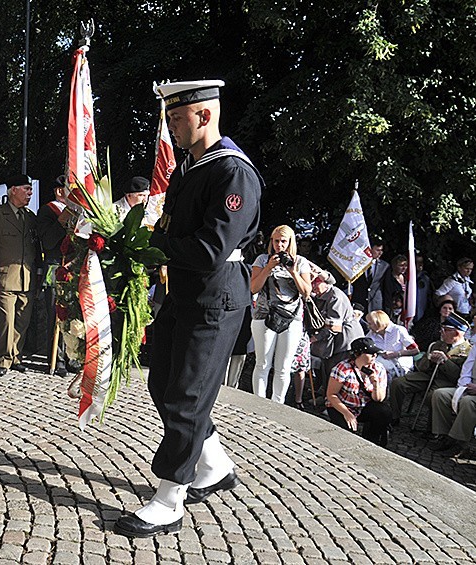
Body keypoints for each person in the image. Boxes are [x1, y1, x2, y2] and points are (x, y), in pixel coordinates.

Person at [113, 80, 263, 538]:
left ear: (203, 115)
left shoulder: (230, 172)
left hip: (215, 295)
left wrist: (153, 246)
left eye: (176, 118)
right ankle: (214, 465)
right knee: (163, 382)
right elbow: (175, 228)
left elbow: (211, 248)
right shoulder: (190, 167)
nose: (171, 127)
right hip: (184, 293)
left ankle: (169, 498)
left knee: (186, 396)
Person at [249, 225, 312, 403]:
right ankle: (258, 404)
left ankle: (277, 405)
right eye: (276, 241)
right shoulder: (262, 260)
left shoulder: (300, 262)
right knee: (262, 363)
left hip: (292, 319)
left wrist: (292, 270)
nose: (279, 245)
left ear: (290, 242)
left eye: (283, 241)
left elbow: (306, 292)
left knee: (283, 367)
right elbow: (253, 287)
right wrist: (268, 268)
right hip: (264, 316)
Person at [0, 174, 40, 375]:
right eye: (26, 189)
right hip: (5, 276)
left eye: (30, 189)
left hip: (27, 277)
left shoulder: (30, 217)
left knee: (22, 320)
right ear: (13, 190)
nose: (30, 193)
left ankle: (16, 356)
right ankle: (2, 359)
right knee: (5, 321)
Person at [389, 312, 471, 425]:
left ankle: (433, 429)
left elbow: (458, 375)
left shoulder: (468, 352)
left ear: (456, 333)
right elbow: (421, 367)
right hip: (428, 376)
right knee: (398, 383)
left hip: (447, 381)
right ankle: (394, 416)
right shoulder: (437, 344)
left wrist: (445, 361)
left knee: (433, 396)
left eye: (445, 330)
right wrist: (429, 358)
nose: (441, 332)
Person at [36, 174, 77, 377]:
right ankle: (56, 357)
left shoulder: (78, 212)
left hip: (73, 268)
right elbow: (49, 241)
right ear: (60, 191)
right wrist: (62, 220)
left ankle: (71, 355)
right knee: (56, 313)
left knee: (72, 314)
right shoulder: (47, 211)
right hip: (55, 267)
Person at [325, 337, 392, 447]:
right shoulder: (343, 368)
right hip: (342, 405)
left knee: (384, 411)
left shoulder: (379, 369)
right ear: (358, 354)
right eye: (370, 353)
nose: (374, 356)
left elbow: (379, 399)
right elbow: (331, 394)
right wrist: (346, 413)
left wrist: (375, 385)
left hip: (363, 405)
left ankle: (372, 440)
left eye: (375, 353)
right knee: (347, 433)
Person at [310, 271, 365, 378]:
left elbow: (333, 328)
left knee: (338, 372)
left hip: (345, 340)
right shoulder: (318, 295)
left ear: (325, 282)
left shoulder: (335, 297)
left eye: (315, 283)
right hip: (331, 341)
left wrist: (314, 338)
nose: (313, 286)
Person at [430, 345, 476, 457]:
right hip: (469, 386)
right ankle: (443, 435)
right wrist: (464, 386)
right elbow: (467, 368)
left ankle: (459, 443)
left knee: (468, 402)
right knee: (440, 395)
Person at [364, 310, 419, 381]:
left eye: (370, 324)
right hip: (382, 364)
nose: (368, 326)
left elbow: (415, 350)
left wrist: (396, 354)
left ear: (378, 323)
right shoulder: (371, 334)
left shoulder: (398, 330)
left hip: (400, 363)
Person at [350, 238, 388, 313]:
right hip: (359, 301)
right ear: (370, 250)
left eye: (381, 250)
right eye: (377, 250)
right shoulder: (357, 264)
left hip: (375, 303)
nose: (380, 253)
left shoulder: (384, 266)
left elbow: (385, 286)